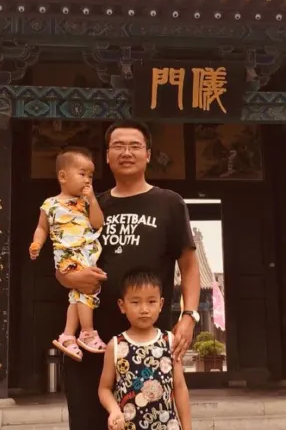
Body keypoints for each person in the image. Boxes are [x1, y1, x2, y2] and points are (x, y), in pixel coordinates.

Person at [58, 120, 200, 430]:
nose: (126, 152)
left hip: (146, 340)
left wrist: (189, 315)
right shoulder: (89, 205)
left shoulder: (169, 203)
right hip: (93, 338)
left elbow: (189, 265)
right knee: (88, 418)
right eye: (118, 146)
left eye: (135, 146)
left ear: (148, 154)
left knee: (147, 420)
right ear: (107, 157)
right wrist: (69, 278)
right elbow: (64, 263)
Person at [30, 147, 107, 360]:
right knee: (88, 291)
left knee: (77, 295)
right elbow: (42, 228)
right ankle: (87, 332)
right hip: (67, 254)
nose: (87, 180)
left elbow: (98, 223)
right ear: (63, 176)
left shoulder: (85, 202)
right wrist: (37, 243)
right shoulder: (50, 204)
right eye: (82, 174)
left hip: (87, 253)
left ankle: (67, 335)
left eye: (90, 176)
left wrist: (92, 200)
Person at [99, 269, 191, 430]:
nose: (144, 309)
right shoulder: (115, 346)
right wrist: (114, 410)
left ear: (161, 304)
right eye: (135, 302)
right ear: (122, 305)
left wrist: (187, 427)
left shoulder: (169, 341)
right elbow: (104, 388)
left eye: (151, 301)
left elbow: (180, 387)